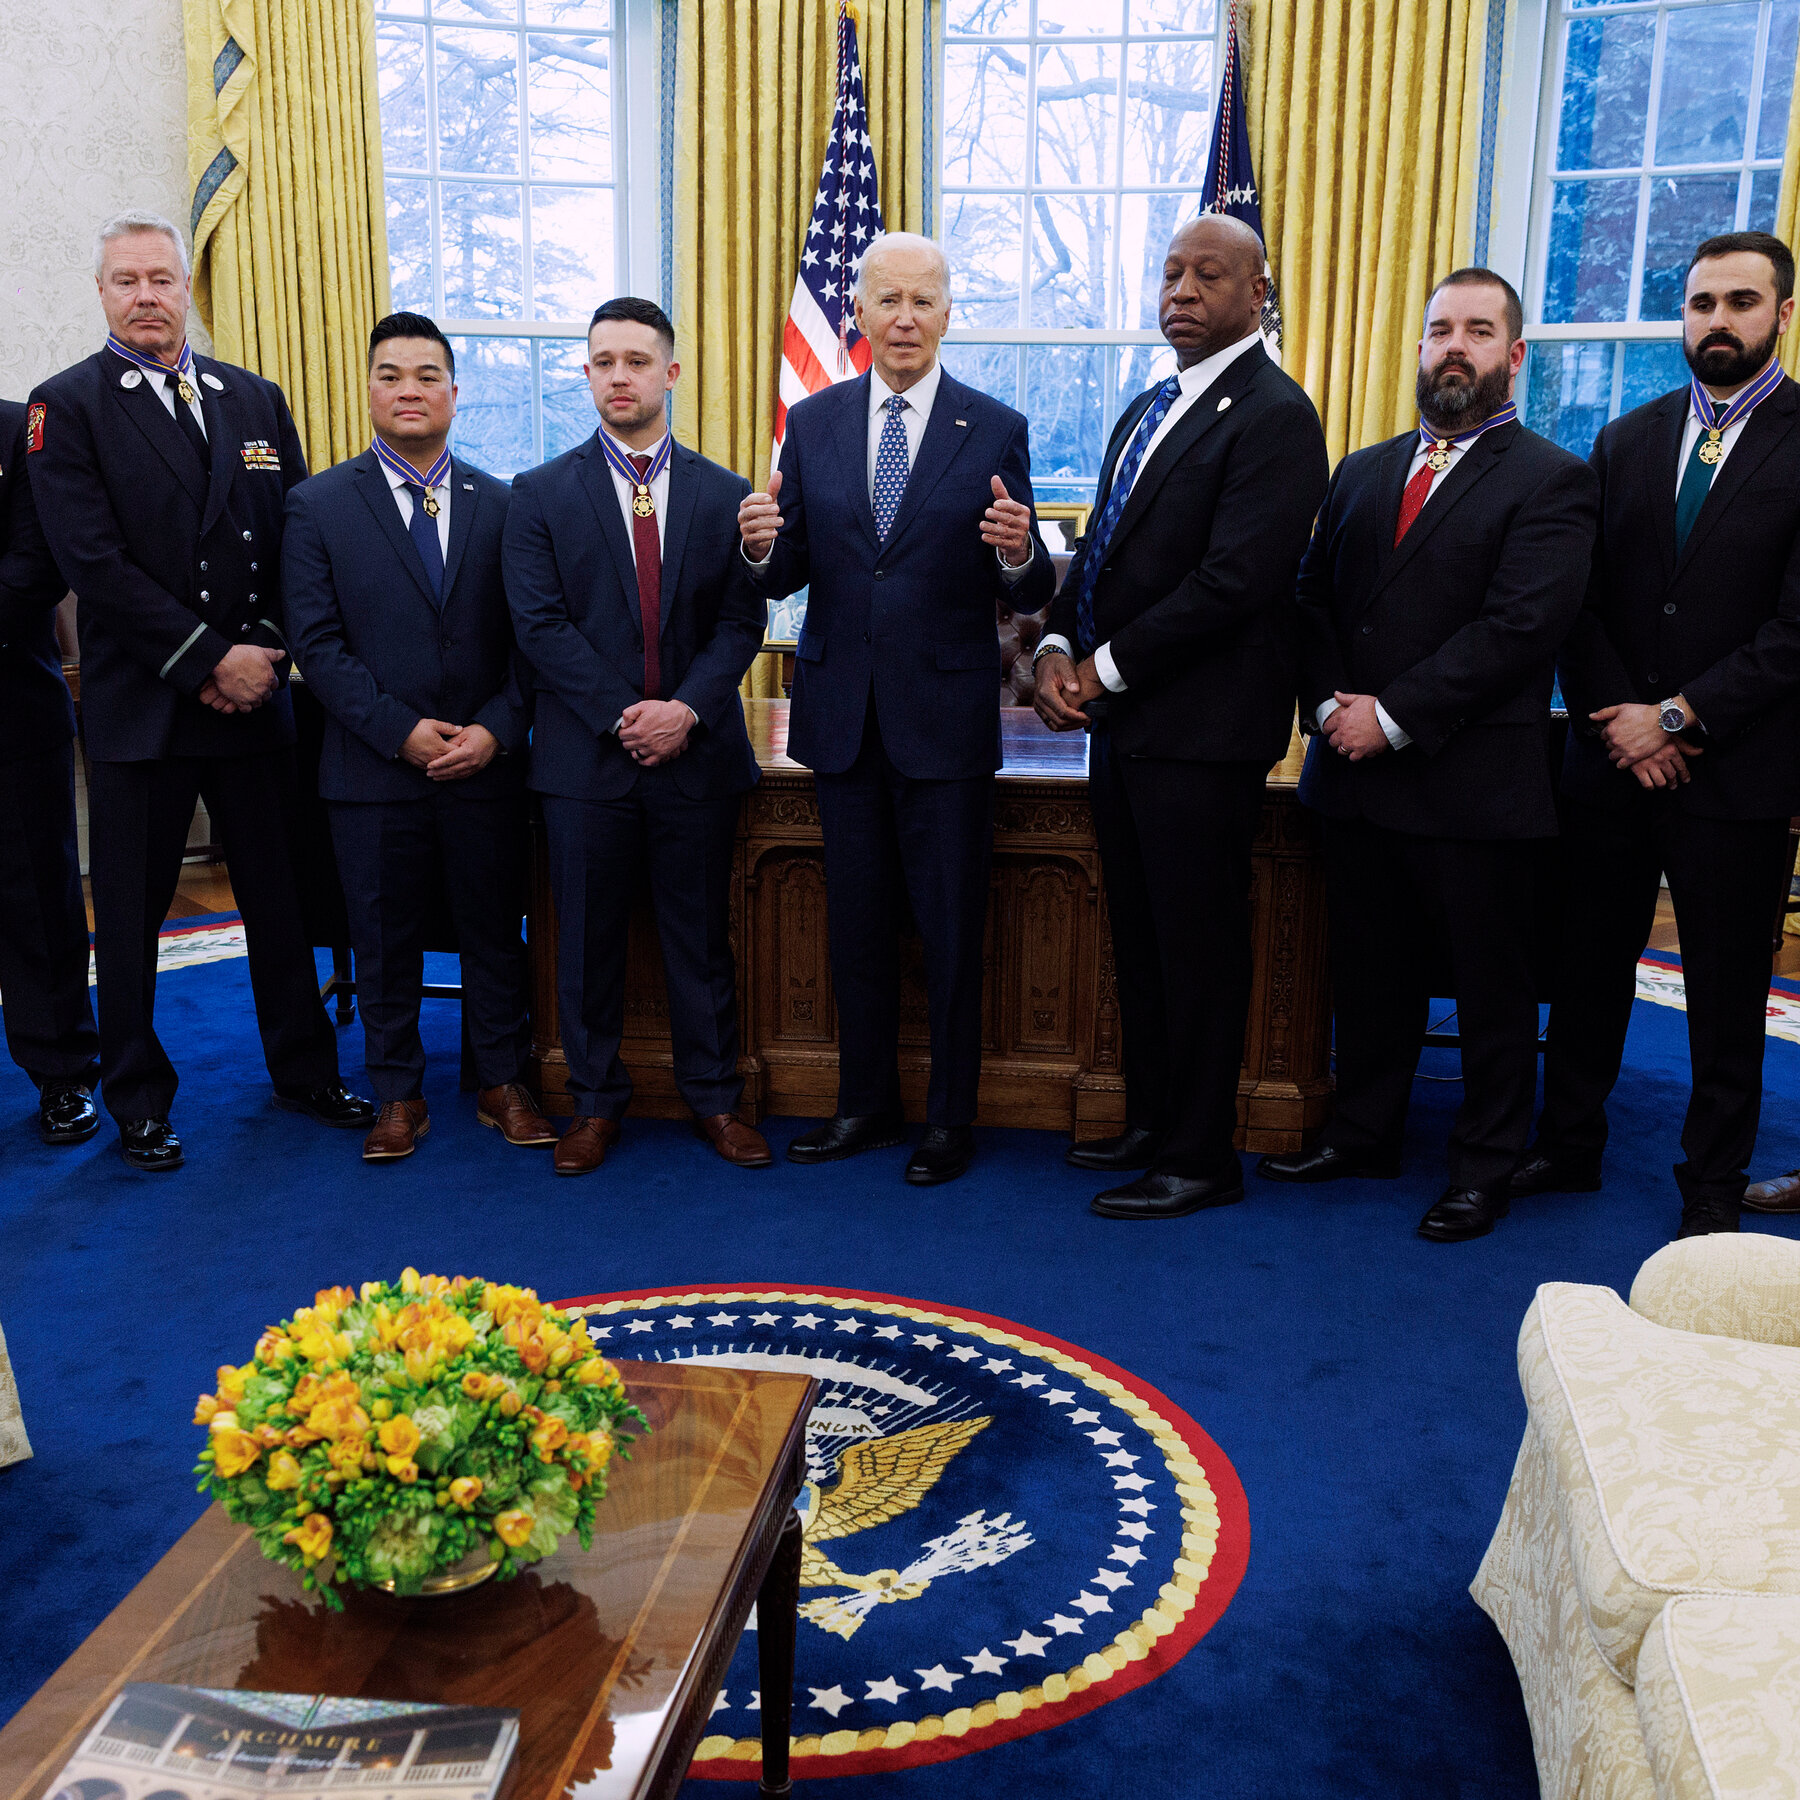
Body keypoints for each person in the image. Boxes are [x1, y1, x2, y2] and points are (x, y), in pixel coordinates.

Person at [25, 210, 371, 1171]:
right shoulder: (69, 406)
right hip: (148, 705)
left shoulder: (254, 398)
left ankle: (305, 1068)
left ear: (187, 289)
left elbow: (298, 543)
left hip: (257, 700)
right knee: (130, 920)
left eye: (161, 280)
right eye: (126, 280)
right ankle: (136, 1096)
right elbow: (91, 564)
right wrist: (208, 657)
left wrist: (262, 654)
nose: (146, 296)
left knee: (281, 900)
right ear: (101, 293)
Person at [1258, 268, 1599, 1243]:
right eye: (1440, 328)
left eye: (1478, 331)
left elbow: (1519, 628)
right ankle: (1363, 1133)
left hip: (1472, 789)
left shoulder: (1552, 478)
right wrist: (1328, 705)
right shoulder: (1362, 471)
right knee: (1371, 976)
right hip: (1355, 779)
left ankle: (1483, 1166)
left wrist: (1393, 714)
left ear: (1514, 355)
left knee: (1493, 995)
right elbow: (1309, 599)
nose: (1455, 346)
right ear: (1420, 346)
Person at [738, 232, 1053, 1185]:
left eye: (924, 300)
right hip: (842, 720)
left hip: (946, 725)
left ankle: (949, 1121)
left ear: (948, 314)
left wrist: (1015, 550)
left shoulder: (993, 427)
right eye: (888, 300)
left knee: (952, 932)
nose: (906, 317)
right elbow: (791, 568)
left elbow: (1031, 583)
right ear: (859, 317)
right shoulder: (816, 422)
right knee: (858, 929)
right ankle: (864, 1105)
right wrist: (759, 548)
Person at [1032, 216, 1328, 1221]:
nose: (1183, 290)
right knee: (1146, 941)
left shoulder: (1277, 415)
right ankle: (1157, 1122)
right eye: (1170, 273)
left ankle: (1203, 1158)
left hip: (1203, 737)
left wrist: (1104, 669)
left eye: (1210, 274)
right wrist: (1056, 648)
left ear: (1259, 293)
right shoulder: (1146, 407)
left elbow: (1235, 582)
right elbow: (1099, 550)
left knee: (1198, 949)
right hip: (1126, 731)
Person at [1519, 231, 1800, 1240]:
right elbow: (1576, 602)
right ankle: (1568, 1142)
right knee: (1589, 965)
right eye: (1700, 304)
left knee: (1728, 996)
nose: (1716, 322)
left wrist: (1678, 720)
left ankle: (1713, 1186)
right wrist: (1626, 727)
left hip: (1739, 772)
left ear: (1781, 315)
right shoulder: (1625, 440)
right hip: (1609, 764)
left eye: (1739, 302)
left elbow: (1796, 633)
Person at [505, 297, 771, 1176]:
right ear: (587, 375)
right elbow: (540, 628)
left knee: (700, 943)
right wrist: (629, 717)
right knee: (584, 945)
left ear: (671, 373)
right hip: (587, 763)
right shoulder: (540, 495)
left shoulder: (727, 494)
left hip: (695, 760)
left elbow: (739, 624)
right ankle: (591, 1105)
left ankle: (717, 1102)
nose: (619, 375)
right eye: (603, 362)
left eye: (636, 360)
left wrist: (684, 712)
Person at [284, 313, 547, 1164]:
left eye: (428, 375)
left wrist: (495, 732)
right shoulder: (317, 505)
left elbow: (530, 642)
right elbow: (316, 646)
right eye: (392, 375)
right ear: (368, 390)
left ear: (455, 394)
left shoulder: (505, 505)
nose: (409, 389)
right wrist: (401, 733)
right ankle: (397, 1093)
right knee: (383, 938)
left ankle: (503, 1082)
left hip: (485, 767)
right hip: (372, 770)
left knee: (491, 933)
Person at [0, 398, 100, 1146]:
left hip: (11, 709)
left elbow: (38, 565)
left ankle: (62, 1073)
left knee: (38, 900)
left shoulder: (20, 427)